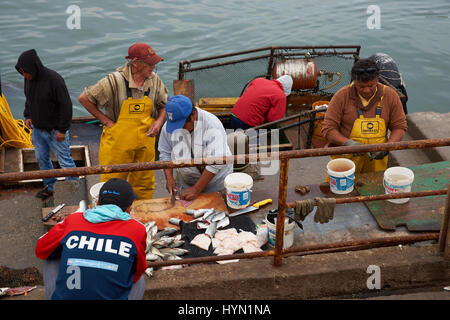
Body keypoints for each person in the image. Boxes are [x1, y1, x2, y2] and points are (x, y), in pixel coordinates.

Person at [78, 43, 168, 200]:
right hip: (118, 144)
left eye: (155, 64)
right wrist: (105, 121)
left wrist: (159, 122)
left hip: (145, 142)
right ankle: (113, 216)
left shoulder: (155, 81)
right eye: (150, 64)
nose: (153, 67)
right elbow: (85, 99)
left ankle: (141, 212)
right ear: (135, 63)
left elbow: (164, 105)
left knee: (144, 182)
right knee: (113, 183)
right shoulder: (113, 81)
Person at [35, 178, 147, 300]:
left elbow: (41, 250)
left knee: (51, 253)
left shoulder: (74, 220)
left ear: (97, 201)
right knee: (139, 278)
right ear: (129, 208)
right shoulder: (137, 229)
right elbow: (138, 271)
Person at [321, 58, 407, 177]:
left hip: (377, 162)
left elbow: (400, 127)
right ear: (354, 81)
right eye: (361, 86)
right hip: (346, 161)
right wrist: (347, 143)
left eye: (371, 85)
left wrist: (387, 147)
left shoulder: (390, 95)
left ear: (377, 80)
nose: (367, 90)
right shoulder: (341, 96)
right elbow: (328, 129)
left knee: (374, 190)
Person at [15, 49, 78, 200]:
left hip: (55, 131)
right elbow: (29, 98)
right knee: (42, 159)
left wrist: (62, 130)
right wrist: (28, 115)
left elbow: (66, 105)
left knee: (65, 161)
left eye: (26, 72)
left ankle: (74, 190)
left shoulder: (54, 80)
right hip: (37, 129)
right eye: (22, 73)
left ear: (34, 67)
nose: (24, 75)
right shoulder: (28, 79)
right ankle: (50, 186)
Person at [158, 95, 233, 201]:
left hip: (216, 183)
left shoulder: (212, 125)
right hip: (187, 182)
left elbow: (216, 163)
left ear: (193, 115)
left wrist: (196, 189)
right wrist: (169, 178)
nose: (178, 130)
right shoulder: (169, 126)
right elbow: (165, 152)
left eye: (181, 126)